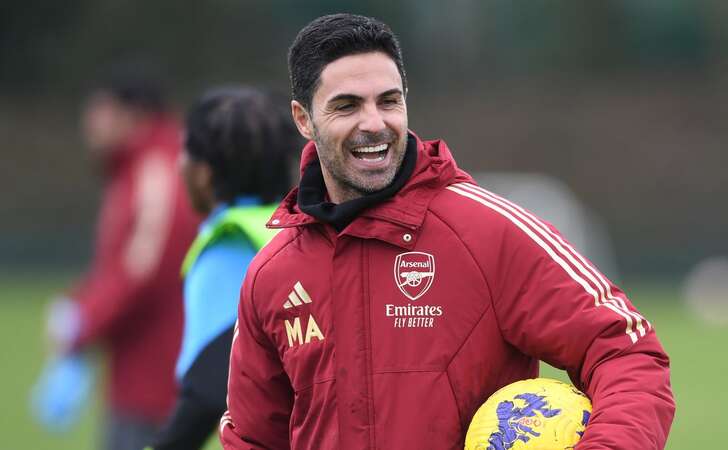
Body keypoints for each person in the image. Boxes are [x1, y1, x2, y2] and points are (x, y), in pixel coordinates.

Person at [220, 13, 675, 450]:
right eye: (347, 106)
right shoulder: (272, 273)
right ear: (304, 120)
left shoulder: (488, 232)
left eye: (389, 100)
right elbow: (253, 438)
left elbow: (627, 352)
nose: (375, 123)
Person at [31, 62, 199, 450]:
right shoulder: (142, 167)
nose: (90, 124)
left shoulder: (158, 169)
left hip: (155, 374)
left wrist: (82, 320)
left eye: (98, 110)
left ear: (132, 113)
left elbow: (147, 269)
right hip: (142, 370)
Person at [148, 86, 301, 449]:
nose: (177, 163)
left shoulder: (229, 243)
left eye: (184, 151)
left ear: (203, 172)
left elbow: (210, 389)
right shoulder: (300, 227)